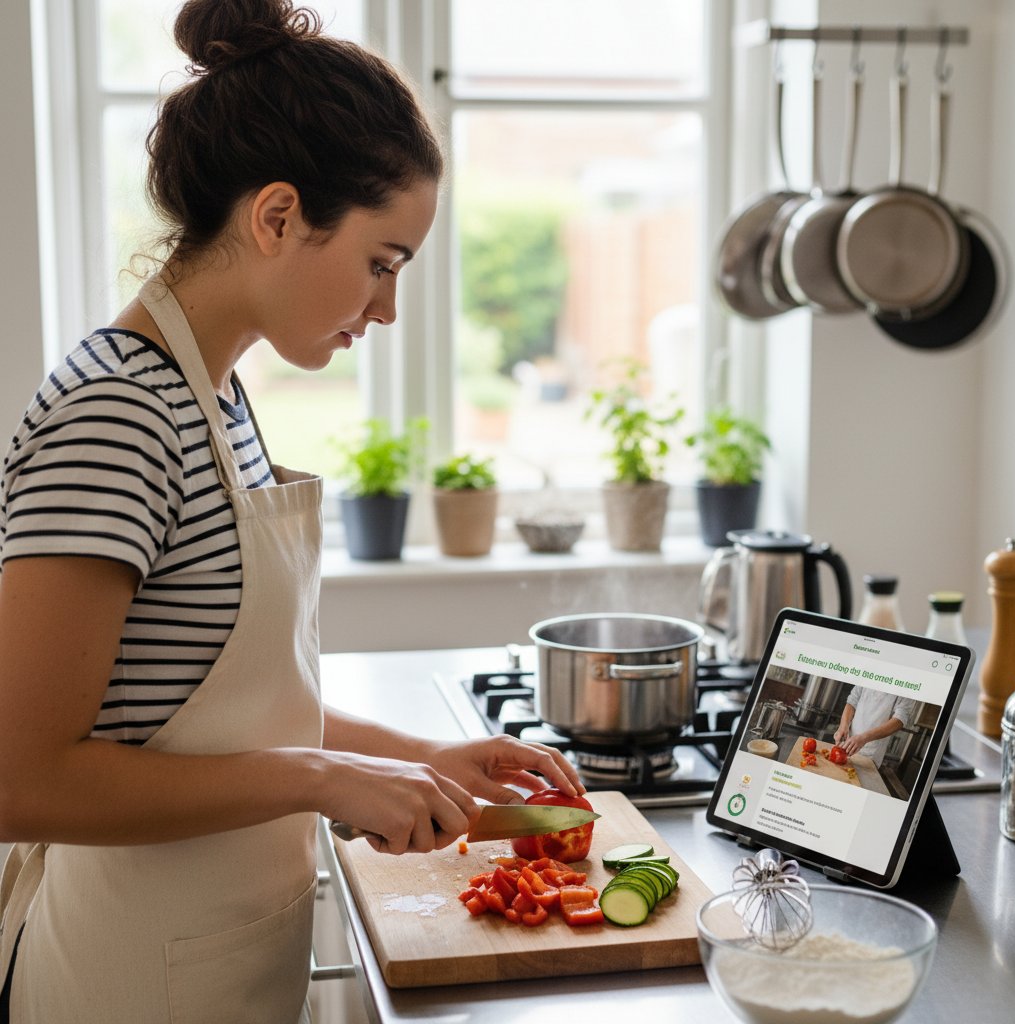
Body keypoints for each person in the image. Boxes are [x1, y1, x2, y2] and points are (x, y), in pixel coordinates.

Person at [0, 2, 583, 1021]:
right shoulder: (116, 413)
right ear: (276, 217)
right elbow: (20, 776)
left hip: (210, 957)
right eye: (381, 262)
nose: (387, 308)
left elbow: (210, 714)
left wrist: (410, 756)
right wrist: (325, 776)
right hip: (123, 980)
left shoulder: (211, 397)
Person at [833, 685, 917, 766]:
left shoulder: (908, 685)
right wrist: (843, 726)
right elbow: (852, 700)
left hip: (871, 754)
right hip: (848, 743)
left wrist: (864, 738)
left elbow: (899, 720)